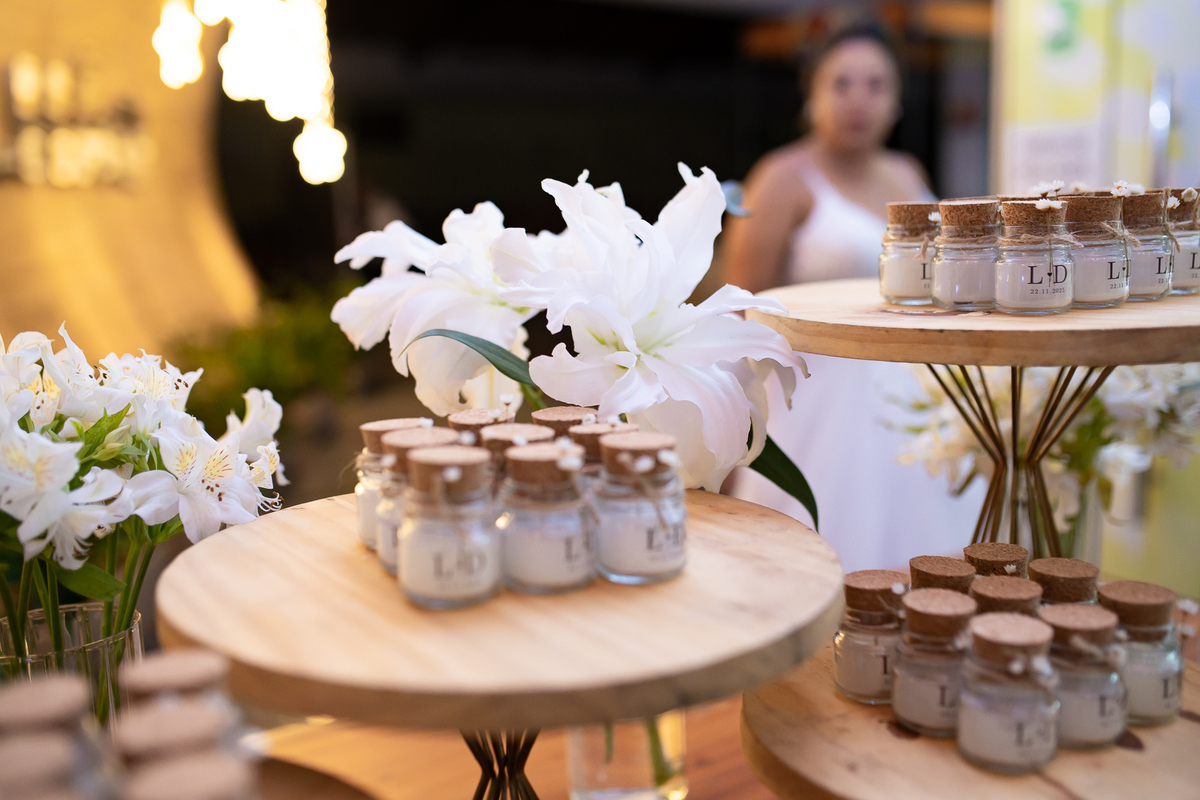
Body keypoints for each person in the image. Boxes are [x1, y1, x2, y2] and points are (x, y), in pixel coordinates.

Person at [725, 23, 983, 571]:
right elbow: (739, 307)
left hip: (917, 395)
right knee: (823, 555)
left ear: (896, 99)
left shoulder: (907, 173)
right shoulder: (781, 178)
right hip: (817, 403)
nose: (858, 100)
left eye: (876, 84)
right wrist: (730, 424)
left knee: (932, 559)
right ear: (812, 95)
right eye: (841, 84)